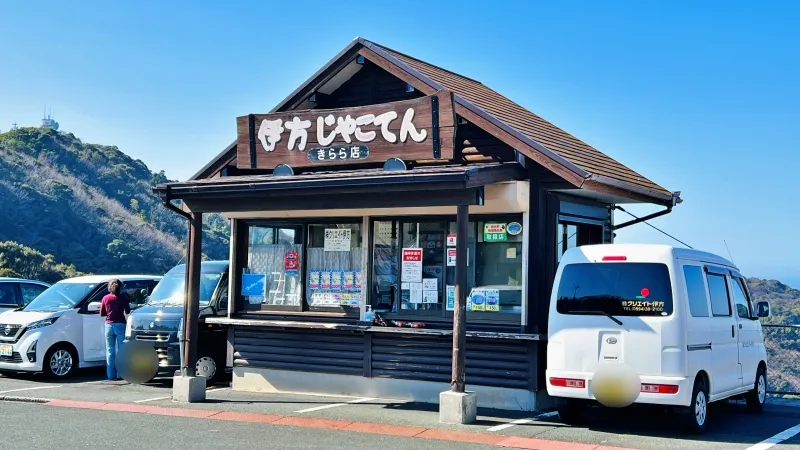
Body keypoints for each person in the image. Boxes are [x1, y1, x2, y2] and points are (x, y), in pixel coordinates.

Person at [100, 279, 130, 381]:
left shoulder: (105, 298)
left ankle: (111, 375)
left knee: (110, 351)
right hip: (121, 324)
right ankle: (121, 374)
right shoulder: (123, 297)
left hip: (109, 325)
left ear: (110, 287)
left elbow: (102, 313)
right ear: (120, 287)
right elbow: (128, 310)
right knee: (121, 350)